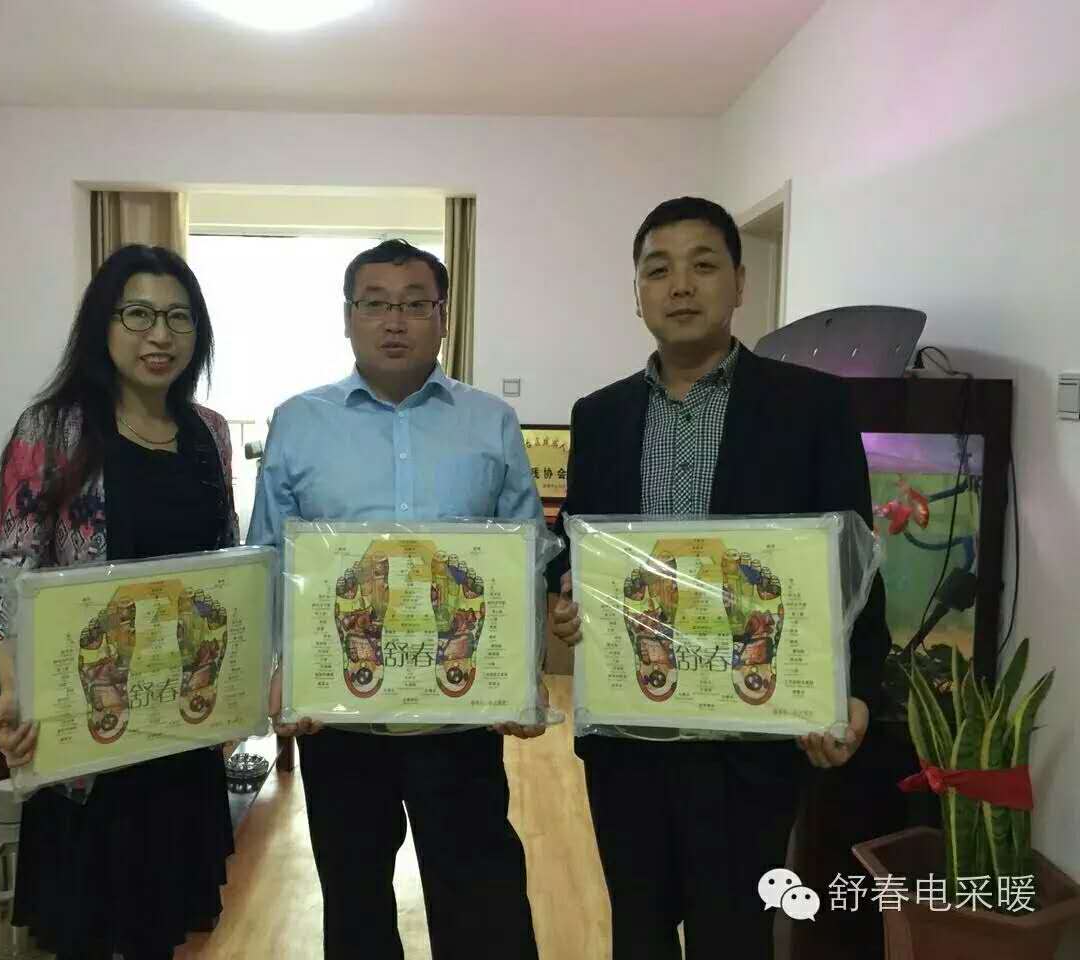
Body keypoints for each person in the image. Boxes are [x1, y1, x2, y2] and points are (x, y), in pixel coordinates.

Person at [547, 198, 890, 960]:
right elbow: (581, 544)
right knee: (637, 931)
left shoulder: (811, 406)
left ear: (739, 281)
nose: (680, 285)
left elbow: (853, 562)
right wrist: (568, 595)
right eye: (657, 270)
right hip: (631, 730)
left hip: (752, 736)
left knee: (734, 936)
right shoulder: (599, 415)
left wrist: (858, 689)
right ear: (636, 292)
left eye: (702, 265)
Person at [247, 239, 543, 960]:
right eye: (375, 303)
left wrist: (524, 671)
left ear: (443, 317)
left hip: (460, 711)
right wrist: (279, 668)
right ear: (347, 317)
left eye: (415, 304)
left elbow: (524, 553)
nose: (395, 320)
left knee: (483, 903)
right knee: (355, 905)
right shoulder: (298, 420)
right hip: (339, 715)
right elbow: (270, 558)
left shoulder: (490, 421)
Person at [0, 244, 240, 960]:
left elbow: (224, 566)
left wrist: (234, 690)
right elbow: (10, 570)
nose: (160, 335)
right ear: (103, 323)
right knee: (87, 931)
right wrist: (15, 685)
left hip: (179, 730)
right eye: (139, 315)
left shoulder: (209, 434)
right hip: (88, 731)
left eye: (179, 318)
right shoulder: (52, 430)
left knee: (160, 930)